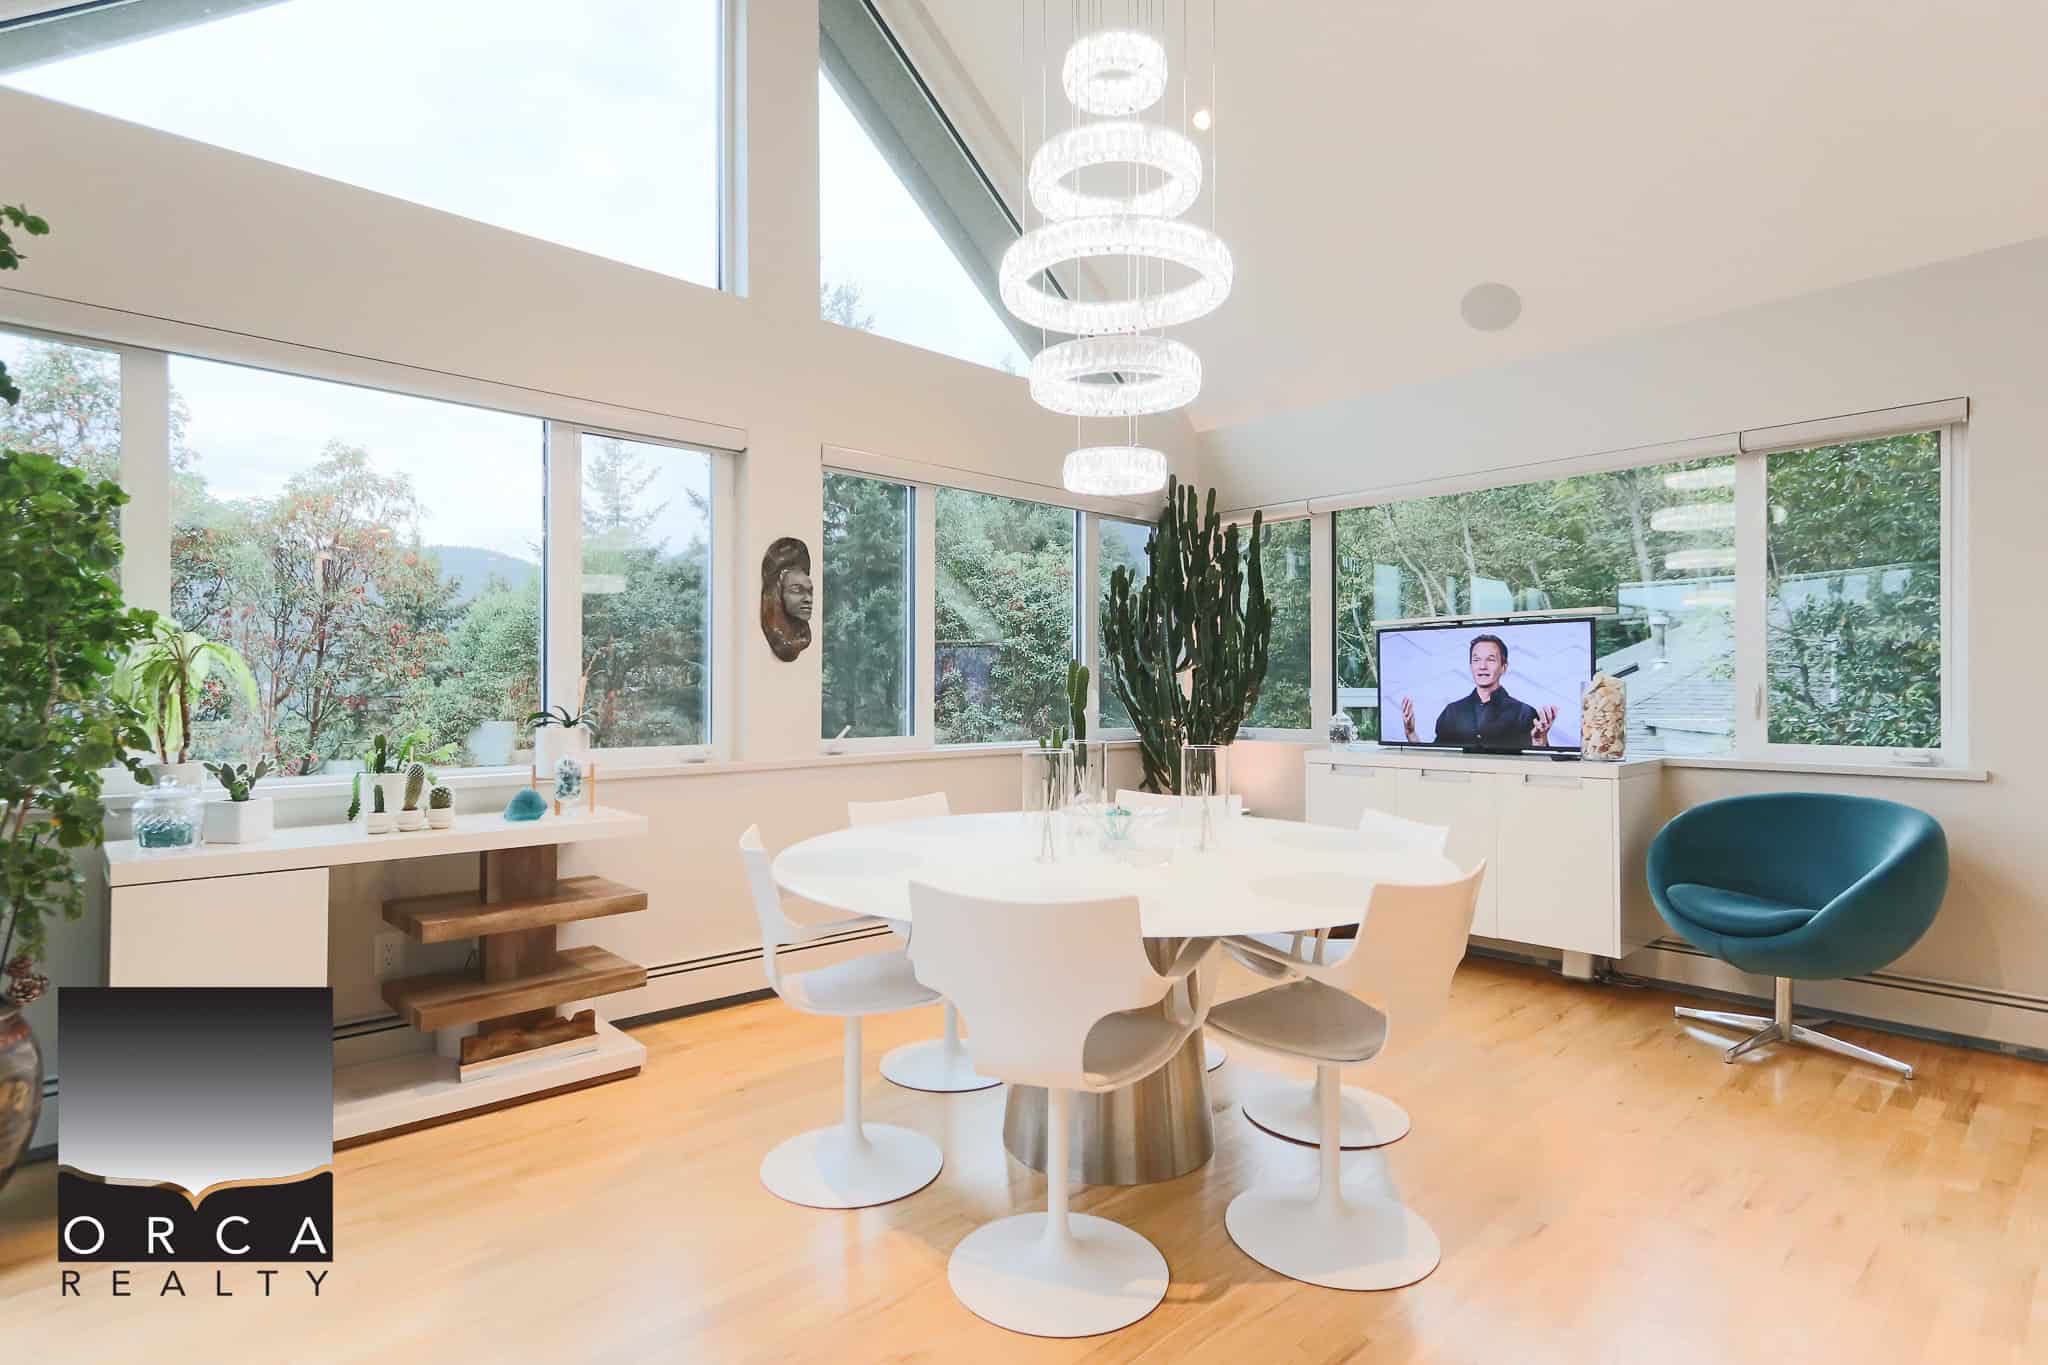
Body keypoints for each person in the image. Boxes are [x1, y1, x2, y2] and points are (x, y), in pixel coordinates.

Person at [1401, 633, 1557, 748]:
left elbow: (1540, 768)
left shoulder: (1525, 713)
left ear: (1504, 667)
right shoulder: (1452, 712)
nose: (1482, 666)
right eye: (1476, 660)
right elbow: (1435, 761)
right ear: (1470, 666)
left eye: (1490, 659)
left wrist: (1539, 742)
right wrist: (1411, 733)